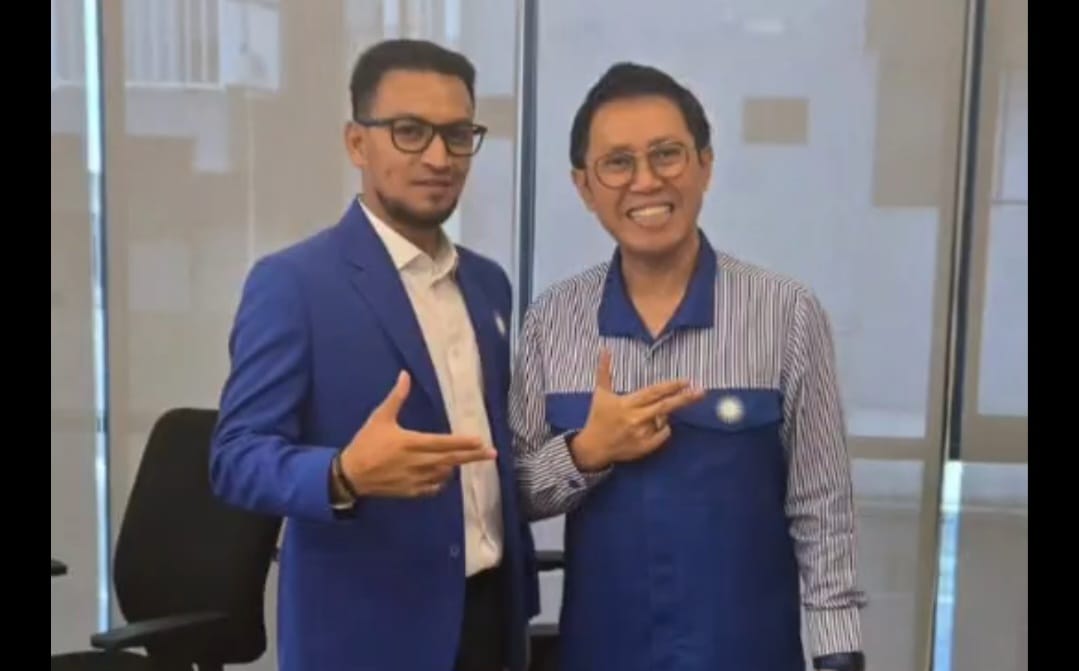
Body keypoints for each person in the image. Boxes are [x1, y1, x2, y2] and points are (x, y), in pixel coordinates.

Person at [510, 62, 868, 671]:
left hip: (747, 653)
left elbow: (822, 507)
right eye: (617, 163)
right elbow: (512, 494)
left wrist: (838, 651)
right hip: (602, 652)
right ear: (584, 186)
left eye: (667, 155)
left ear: (705, 165)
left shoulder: (785, 312)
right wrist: (587, 451)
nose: (645, 181)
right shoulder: (553, 321)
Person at [211, 39, 538, 671]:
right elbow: (236, 458)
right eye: (410, 132)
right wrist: (342, 474)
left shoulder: (488, 284)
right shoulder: (294, 283)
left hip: (489, 620)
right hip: (368, 633)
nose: (439, 157)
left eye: (457, 134)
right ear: (357, 143)